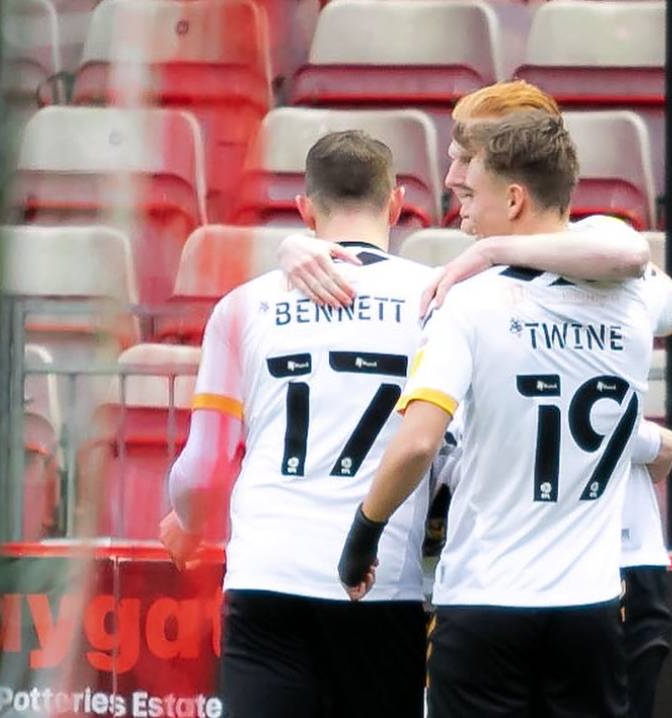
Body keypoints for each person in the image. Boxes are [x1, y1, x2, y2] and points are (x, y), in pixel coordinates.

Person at [285, 79, 672, 717]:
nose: (454, 190)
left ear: (515, 196)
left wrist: (364, 532)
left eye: (469, 184)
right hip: (589, 606)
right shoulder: (634, 294)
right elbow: (657, 283)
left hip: (487, 602)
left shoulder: (469, 300)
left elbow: (418, 440)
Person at [159, 130, 434, 718]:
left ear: (304, 209)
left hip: (270, 575)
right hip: (381, 583)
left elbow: (205, 469)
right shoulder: (436, 300)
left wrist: (187, 521)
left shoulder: (242, 306)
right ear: (396, 203)